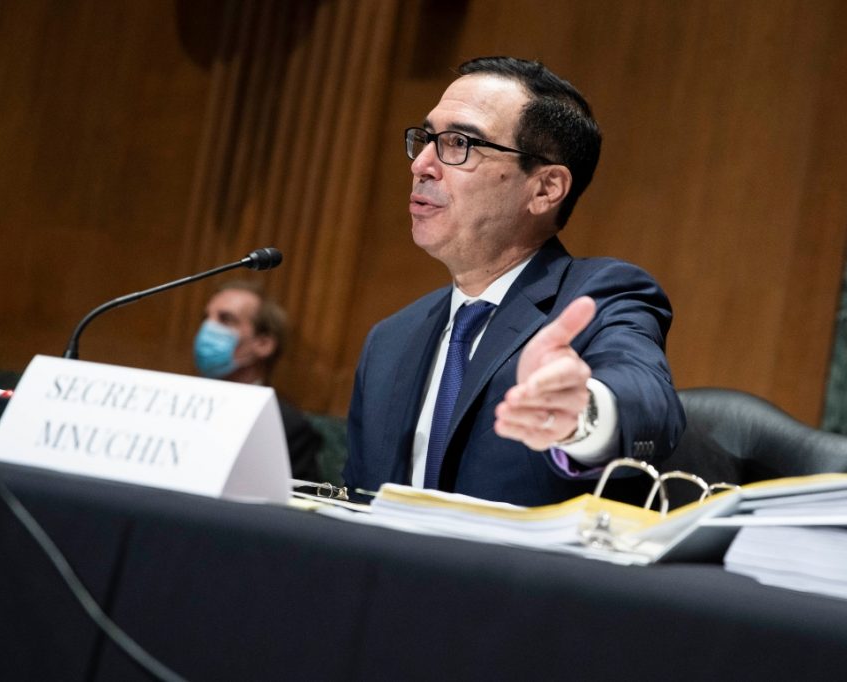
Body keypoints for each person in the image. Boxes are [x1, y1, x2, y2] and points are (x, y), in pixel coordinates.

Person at [343, 56, 684, 506]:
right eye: (426, 139)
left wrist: (581, 412)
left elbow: (651, 404)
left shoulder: (600, 297)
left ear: (545, 188)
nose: (421, 164)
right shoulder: (389, 341)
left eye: (458, 143)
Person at [194, 281, 322, 481]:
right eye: (206, 318)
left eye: (225, 320)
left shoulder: (286, 426)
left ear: (263, 344)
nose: (208, 328)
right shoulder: (178, 405)